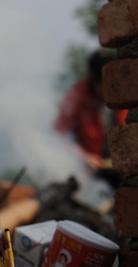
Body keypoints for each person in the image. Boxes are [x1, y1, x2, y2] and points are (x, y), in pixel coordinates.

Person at [54, 50, 127, 179]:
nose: (109, 90)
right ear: (94, 81)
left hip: (123, 169)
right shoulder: (76, 98)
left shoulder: (126, 95)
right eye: (105, 85)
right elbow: (60, 136)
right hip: (89, 173)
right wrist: (85, 157)